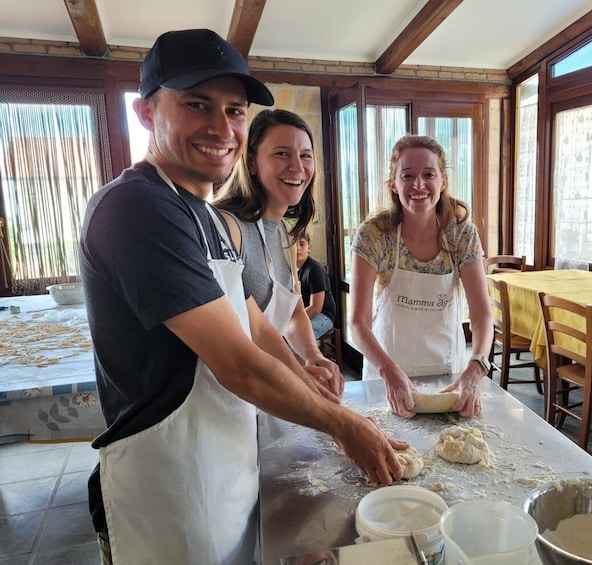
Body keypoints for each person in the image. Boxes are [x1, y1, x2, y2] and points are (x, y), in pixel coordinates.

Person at [79, 29, 405, 564]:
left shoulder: (205, 216)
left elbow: (254, 326)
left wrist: (313, 381)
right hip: (166, 486)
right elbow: (238, 364)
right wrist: (347, 426)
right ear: (145, 112)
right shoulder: (137, 208)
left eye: (234, 110)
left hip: (223, 467)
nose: (220, 127)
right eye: (196, 105)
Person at [349, 134, 494, 419]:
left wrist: (476, 367)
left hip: (446, 376)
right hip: (385, 375)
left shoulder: (460, 233)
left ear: (443, 182)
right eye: (407, 175)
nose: (418, 185)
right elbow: (357, 322)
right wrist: (388, 371)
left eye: (429, 174)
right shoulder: (375, 235)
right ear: (394, 184)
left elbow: (482, 315)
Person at [213, 109, 343, 395]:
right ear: (251, 163)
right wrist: (301, 377)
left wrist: (313, 355)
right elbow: (250, 332)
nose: (297, 167)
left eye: (305, 155)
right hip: (228, 391)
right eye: (282, 154)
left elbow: (295, 313)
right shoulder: (226, 227)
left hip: (270, 390)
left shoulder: (283, 232)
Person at [295, 232, 336, 339]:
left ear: (309, 247)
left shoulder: (315, 270)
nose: (298, 248)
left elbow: (316, 307)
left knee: (301, 336)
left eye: (302, 244)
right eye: (293, 244)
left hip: (323, 315)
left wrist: (294, 320)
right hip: (303, 314)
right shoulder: (289, 269)